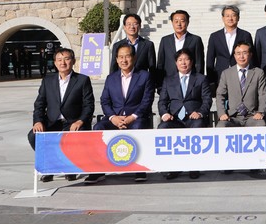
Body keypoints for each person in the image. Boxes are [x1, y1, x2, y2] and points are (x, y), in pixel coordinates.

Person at [85, 43, 155, 184]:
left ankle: (139, 169)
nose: (124, 60)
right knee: (98, 128)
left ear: (134, 58)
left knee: (138, 127)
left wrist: (132, 117)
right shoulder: (111, 78)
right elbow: (105, 101)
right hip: (115, 118)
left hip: (135, 118)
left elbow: (147, 100)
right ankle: (98, 171)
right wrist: (113, 118)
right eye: (121, 57)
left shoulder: (144, 76)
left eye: (127, 56)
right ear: (116, 59)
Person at [28, 47, 94, 182]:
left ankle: (69, 167)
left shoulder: (82, 80)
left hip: (73, 122)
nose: (62, 63)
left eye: (66, 59)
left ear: (73, 61)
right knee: (33, 136)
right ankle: (51, 165)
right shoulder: (48, 80)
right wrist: (38, 121)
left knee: (79, 135)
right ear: (55, 62)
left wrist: (80, 121)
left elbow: (89, 105)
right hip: (52, 122)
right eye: (59, 60)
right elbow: (39, 104)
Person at [158, 48, 212, 180]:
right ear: (176, 63)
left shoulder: (200, 79)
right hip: (175, 118)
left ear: (191, 62)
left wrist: (200, 112)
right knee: (163, 128)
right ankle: (173, 168)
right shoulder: (168, 80)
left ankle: (194, 167)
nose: (183, 63)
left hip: (193, 118)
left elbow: (207, 100)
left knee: (198, 126)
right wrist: (164, 114)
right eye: (180, 60)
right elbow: (162, 101)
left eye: (186, 59)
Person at [216, 42, 266, 127]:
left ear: (250, 55)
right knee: (222, 125)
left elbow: (263, 94)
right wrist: (222, 113)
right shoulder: (226, 73)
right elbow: (220, 95)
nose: (241, 56)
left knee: (261, 124)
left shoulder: (258, 73)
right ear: (234, 56)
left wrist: (261, 112)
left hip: (252, 116)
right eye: (238, 53)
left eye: (244, 53)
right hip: (232, 116)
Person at [156, 10, 205, 90]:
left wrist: (198, 83)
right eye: (176, 21)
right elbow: (160, 63)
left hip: (190, 82)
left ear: (187, 22)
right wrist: (159, 85)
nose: (179, 24)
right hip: (169, 82)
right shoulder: (165, 40)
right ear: (172, 23)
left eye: (182, 21)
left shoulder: (195, 40)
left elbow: (199, 63)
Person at [207, 5, 254, 88]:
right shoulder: (214, 36)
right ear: (223, 18)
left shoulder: (245, 35)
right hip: (220, 76)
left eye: (233, 15)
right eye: (227, 16)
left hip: (241, 76)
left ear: (238, 18)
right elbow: (210, 59)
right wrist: (211, 80)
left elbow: (251, 57)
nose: (230, 18)